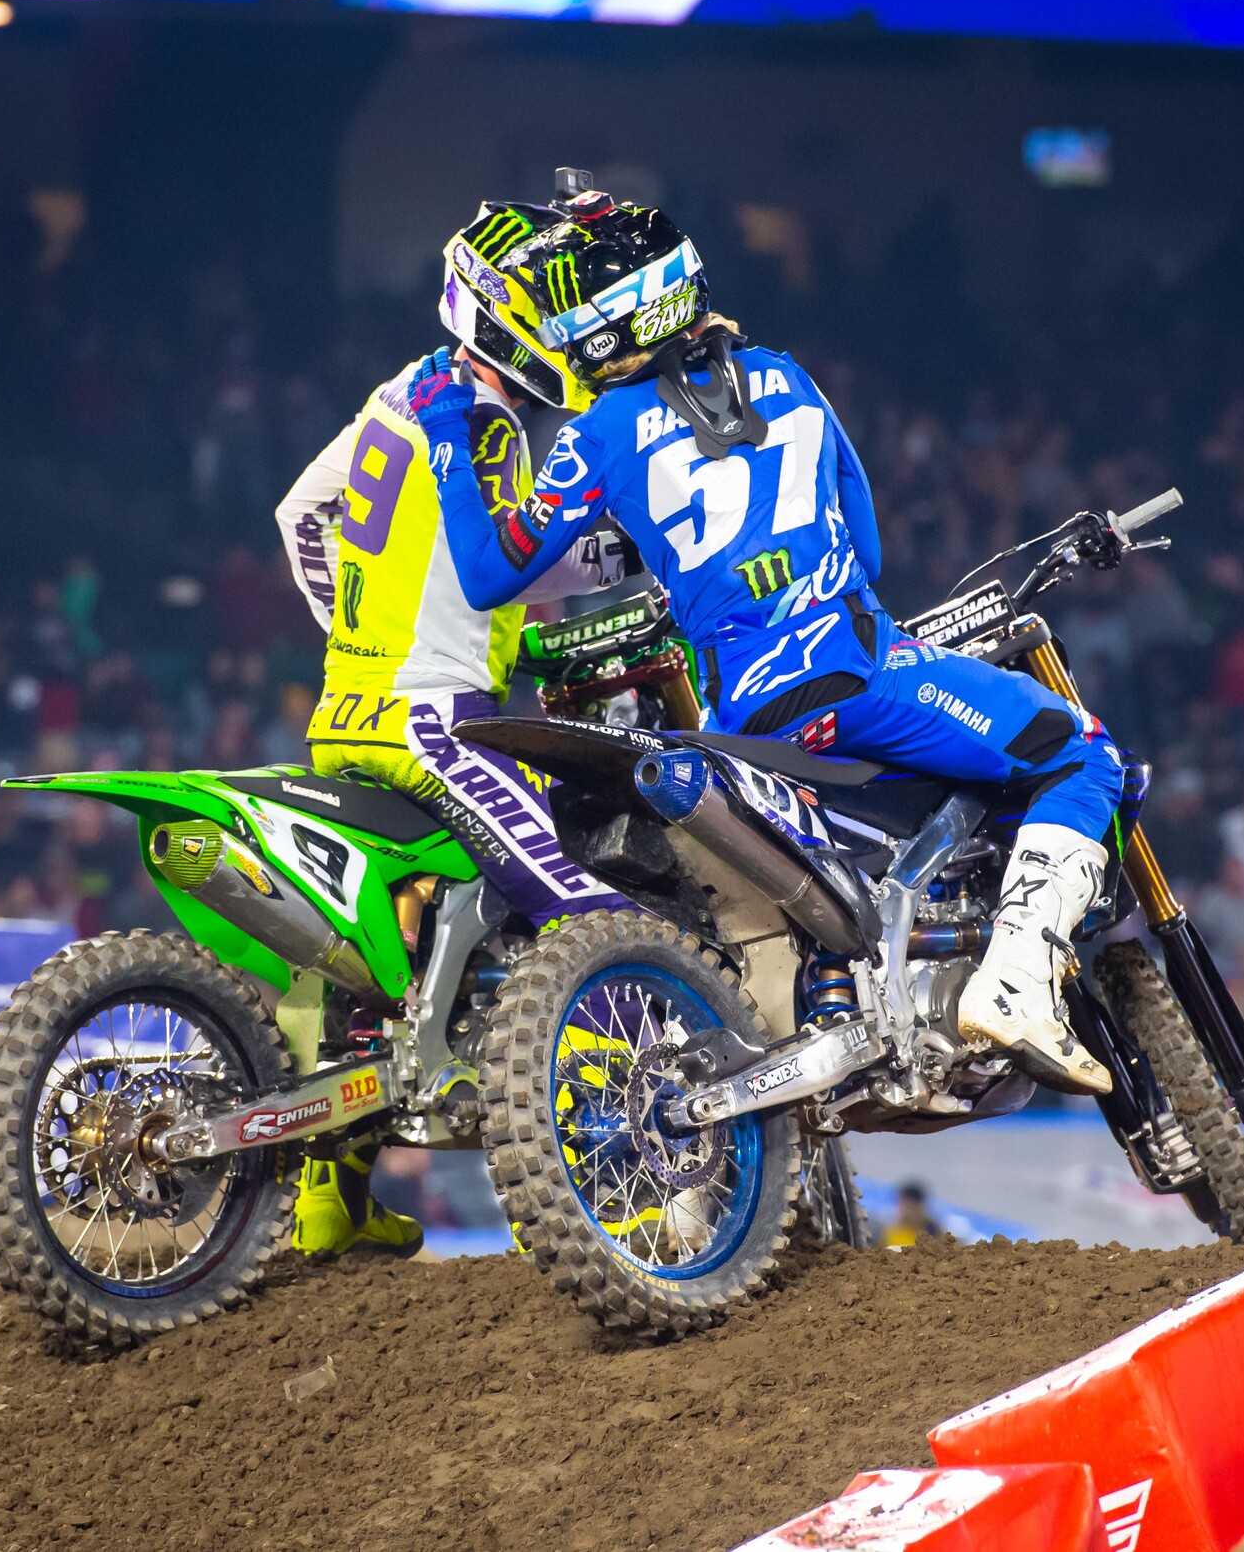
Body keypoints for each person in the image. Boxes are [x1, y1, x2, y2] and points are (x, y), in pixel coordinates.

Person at [410, 185, 1125, 1095]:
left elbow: (487, 570)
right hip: (860, 676)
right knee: (1085, 756)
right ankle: (1019, 984)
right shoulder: (790, 375)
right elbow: (865, 546)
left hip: (742, 718)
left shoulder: (598, 433)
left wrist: (446, 433)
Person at [272, 200, 638, 1258]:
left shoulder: (401, 393)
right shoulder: (486, 419)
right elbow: (518, 558)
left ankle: (330, 1202)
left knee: (375, 957)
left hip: (349, 712)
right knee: (582, 912)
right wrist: (631, 554)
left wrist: (361, 630)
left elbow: (302, 515)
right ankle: (574, 1195)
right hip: (438, 720)